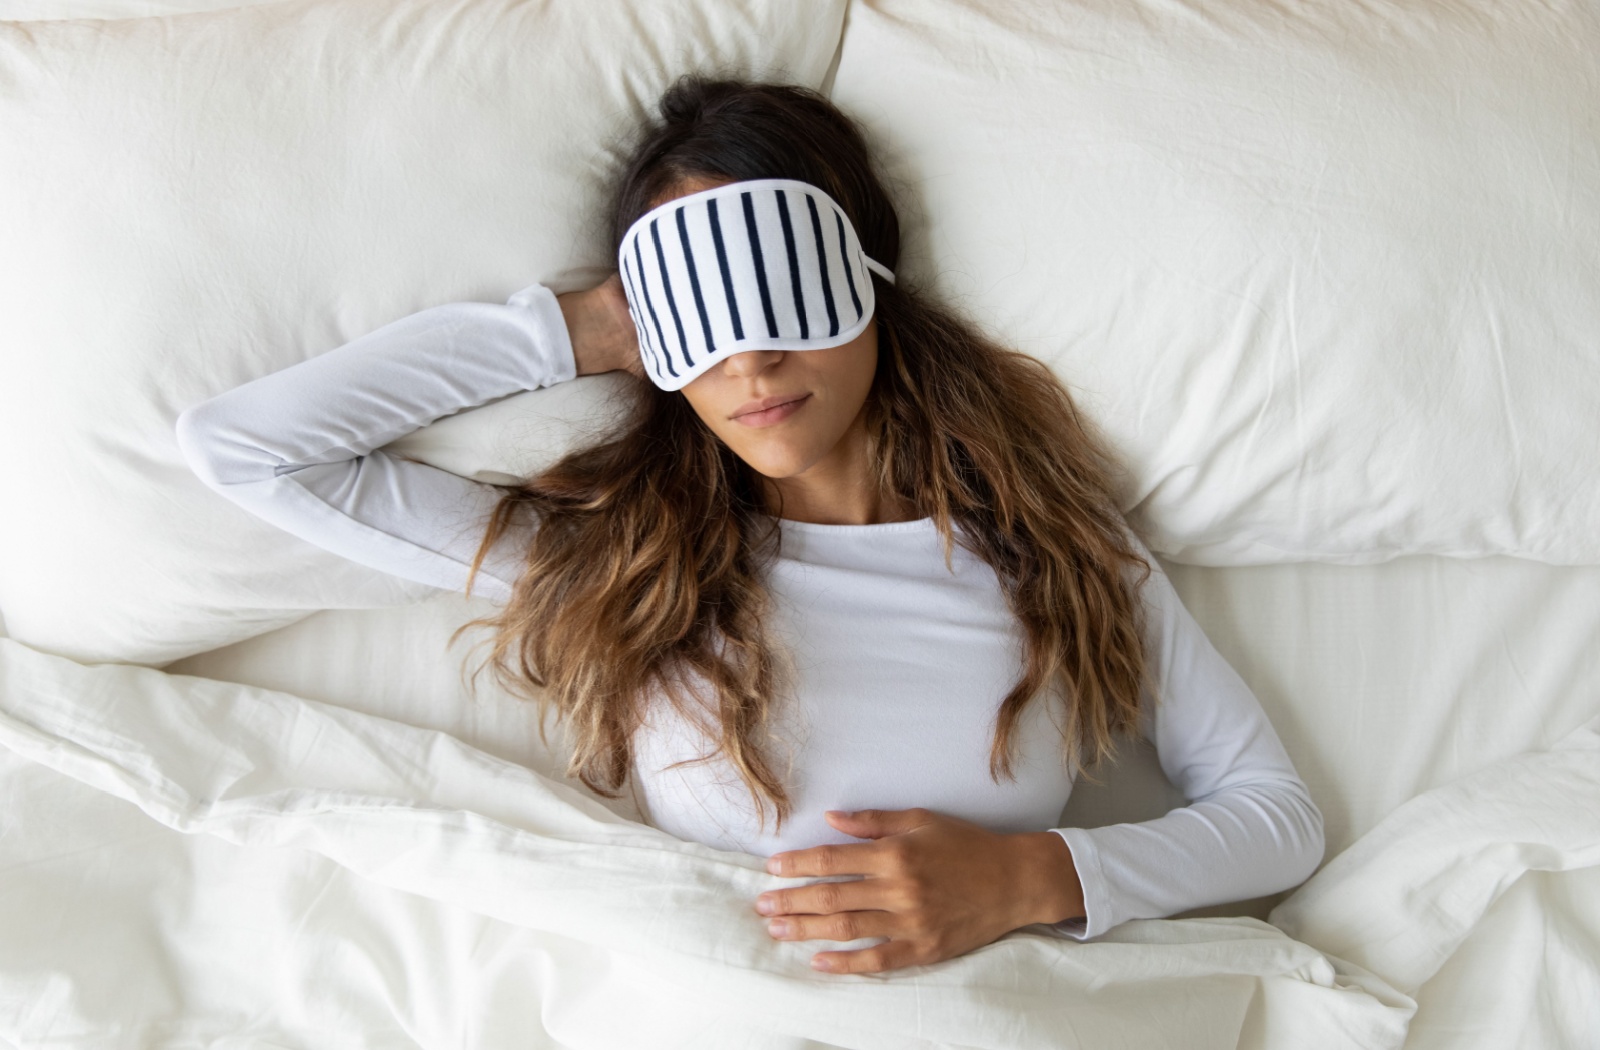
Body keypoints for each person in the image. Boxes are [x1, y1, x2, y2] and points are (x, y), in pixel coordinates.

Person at [175, 75, 1324, 976]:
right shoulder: (622, 568)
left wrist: (1032, 878)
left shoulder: (1053, 552)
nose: (752, 357)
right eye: (704, 314)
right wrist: (582, 330)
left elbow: (1275, 818)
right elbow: (249, 448)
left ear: (869, 277)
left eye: (781, 292)